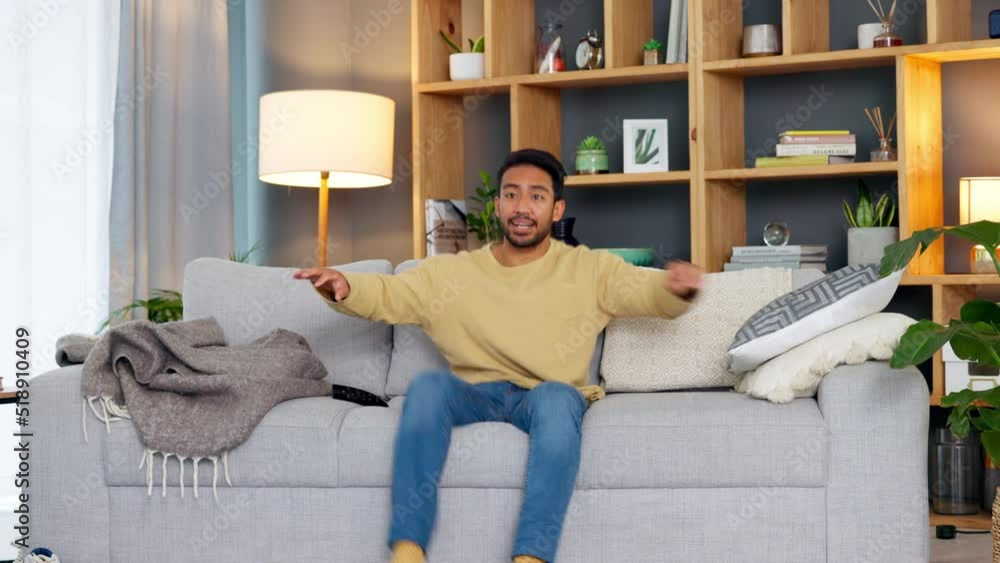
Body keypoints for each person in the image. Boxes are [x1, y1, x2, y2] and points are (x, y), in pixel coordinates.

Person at [293, 148, 703, 563]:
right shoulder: (454, 274)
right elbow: (391, 293)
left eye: (536, 197)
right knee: (427, 388)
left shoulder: (590, 269)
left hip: (547, 393)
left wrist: (677, 289)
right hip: (475, 391)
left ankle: (531, 558)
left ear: (557, 208)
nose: (522, 207)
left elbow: (645, 292)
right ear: (497, 204)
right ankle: (408, 551)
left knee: (561, 400)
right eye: (511, 195)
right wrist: (344, 286)